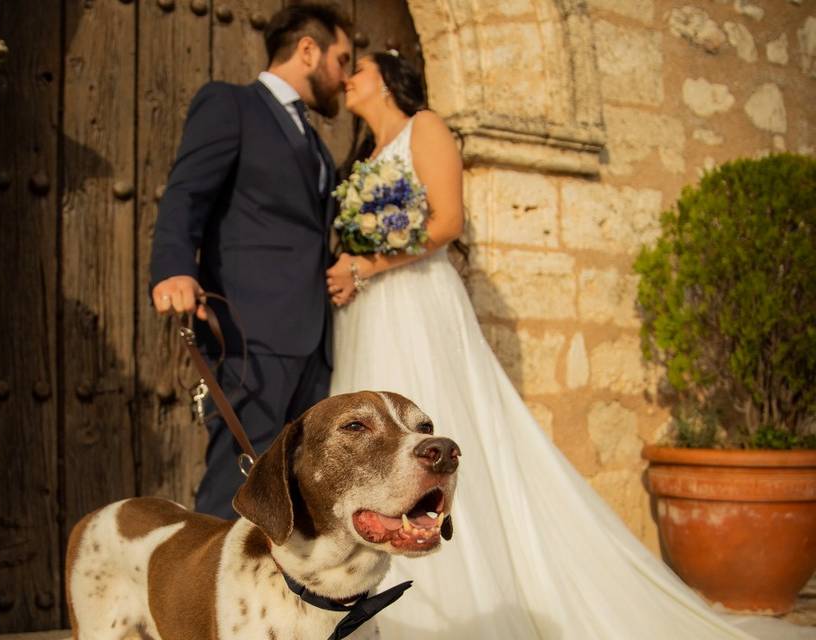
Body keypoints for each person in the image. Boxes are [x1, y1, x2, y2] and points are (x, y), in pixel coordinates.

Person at [325, 52, 809, 639]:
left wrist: (367, 263)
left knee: (423, 425)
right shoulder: (361, 156)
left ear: (389, 79)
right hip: (370, 310)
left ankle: (443, 598)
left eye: (361, 67)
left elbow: (446, 221)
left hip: (413, 301)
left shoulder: (424, 127)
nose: (349, 76)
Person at [150, 3, 352, 520]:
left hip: (314, 341)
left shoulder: (316, 141)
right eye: (342, 59)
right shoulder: (231, 104)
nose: (345, 77)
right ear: (308, 50)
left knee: (297, 497)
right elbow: (186, 193)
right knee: (236, 488)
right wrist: (174, 267)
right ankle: (200, 600)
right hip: (251, 334)